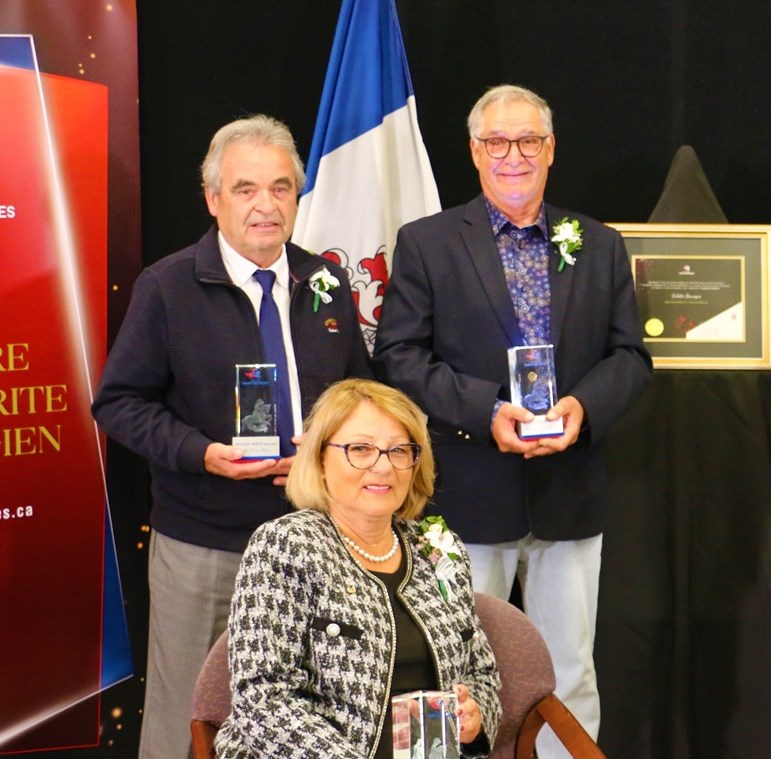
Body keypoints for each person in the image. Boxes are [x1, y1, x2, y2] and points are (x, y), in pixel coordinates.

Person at [374, 84, 652, 756]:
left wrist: (582, 408)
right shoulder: (428, 243)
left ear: (550, 149)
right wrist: (487, 409)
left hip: (569, 493)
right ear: (475, 152)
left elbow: (631, 358)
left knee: (570, 670)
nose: (513, 155)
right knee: (451, 670)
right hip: (466, 497)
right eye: (497, 142)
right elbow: (399, 356)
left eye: (528, 140)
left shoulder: (600, 244)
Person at [91, 114, 371, 758]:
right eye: (246, 189)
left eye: (280, 187)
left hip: (314, 538)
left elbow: (361, 395)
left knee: (305, 717)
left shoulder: (326, 284)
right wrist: (202, 454)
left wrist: (329, 452)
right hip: (204, 543)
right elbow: (119, 403)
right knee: (186, 713)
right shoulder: (167, 286)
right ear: (214, 199)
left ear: (297, 197)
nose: (265, 205)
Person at [214, 378, 501, 758]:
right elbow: (262, 698)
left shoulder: (438, 547)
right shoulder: (286, 545)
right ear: (320, 460)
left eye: (399, 450)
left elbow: (482, 673)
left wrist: (476, 715)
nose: (383, 466)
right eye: (361, 449)